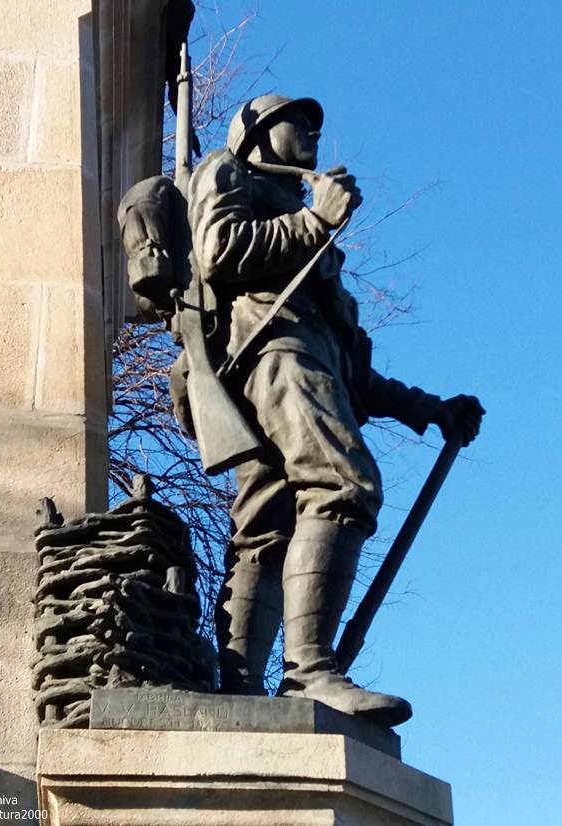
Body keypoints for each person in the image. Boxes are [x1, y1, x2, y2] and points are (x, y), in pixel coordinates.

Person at [182, 94, 484, 727]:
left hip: (299, 366)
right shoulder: (228, 171)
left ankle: (242, 690)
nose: (314, 133)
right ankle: (310, 673)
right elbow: (217, 250)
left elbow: (349, 372)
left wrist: (429, 408)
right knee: (343, 485)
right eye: (298, 122)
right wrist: (315, 222)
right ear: (256, 135)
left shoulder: (301, 222)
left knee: (266, 528)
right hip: (272, 358)